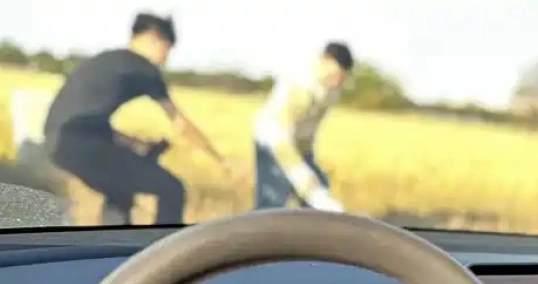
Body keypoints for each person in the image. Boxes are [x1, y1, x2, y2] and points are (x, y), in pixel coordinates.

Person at [43, 13, 230, 225]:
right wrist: (219, 160)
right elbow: (180, 124)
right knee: (171, 189)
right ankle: (164, 244)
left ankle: (114, 241)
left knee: (120, 187)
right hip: (81, 146)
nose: (166, 58)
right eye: (167, 49)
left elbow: (84, 118)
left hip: (58, 142)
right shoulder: (144, 69)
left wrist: (133, 143)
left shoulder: (107, 60)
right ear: (154, 38)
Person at [253, 42, 354, 212]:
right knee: (272, 202)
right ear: (324, 61)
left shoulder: (333, 91)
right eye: (335, 73)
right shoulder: (300, 87)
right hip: (272, 142)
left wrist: (313, 185)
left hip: (300, 144)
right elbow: (280, 141)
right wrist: (308, 186)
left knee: (319, 192)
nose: (337, 80)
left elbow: (311, 128)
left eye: (342, 77)